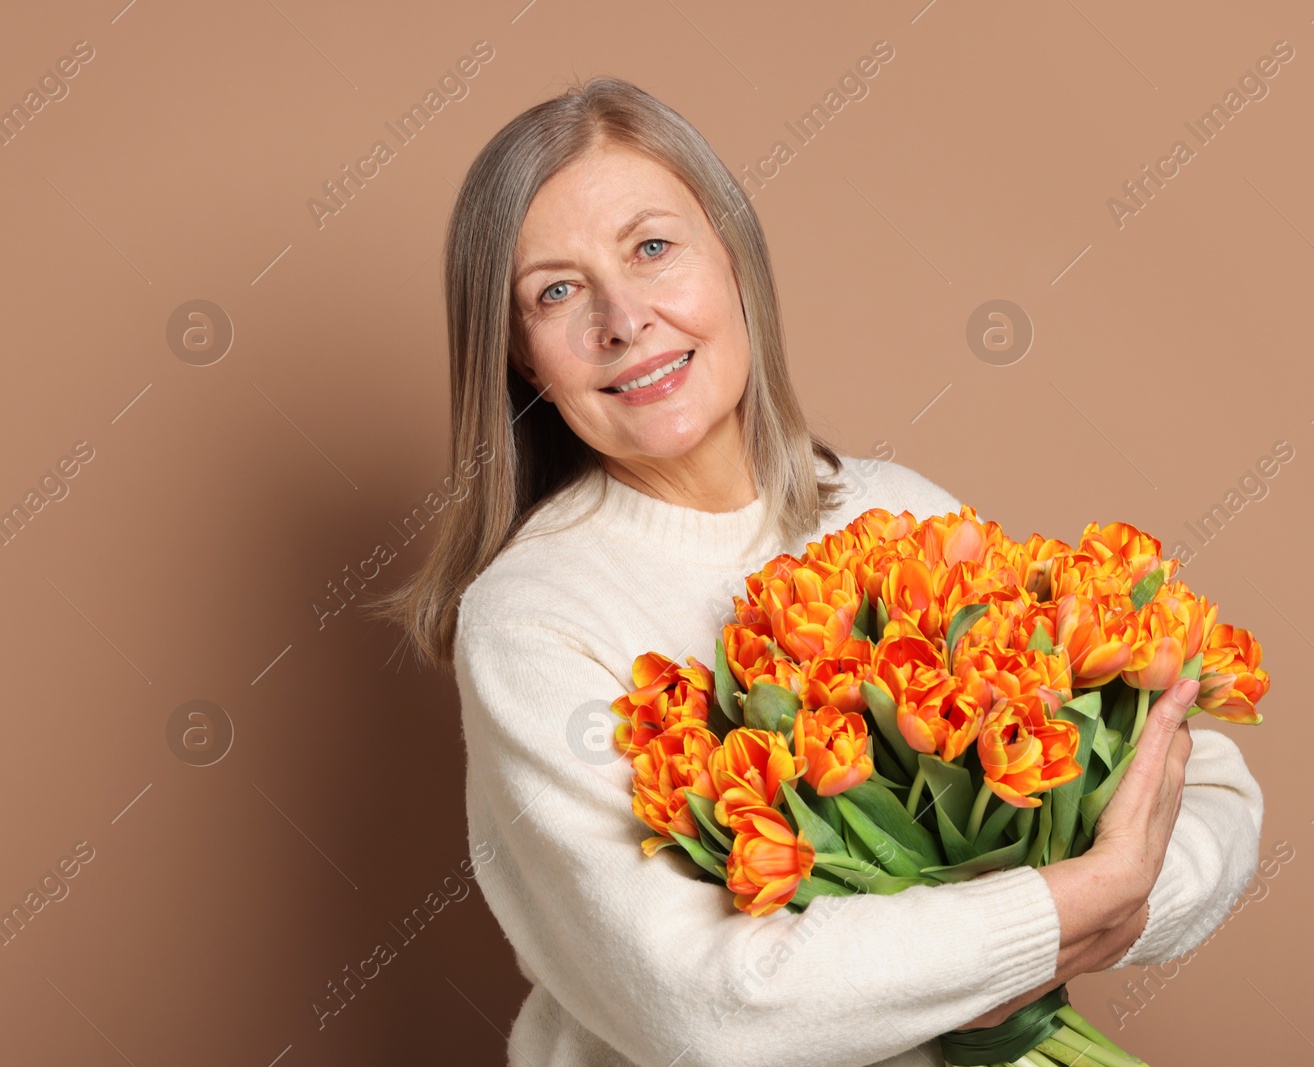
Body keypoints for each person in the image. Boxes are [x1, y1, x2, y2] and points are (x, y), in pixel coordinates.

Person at [373, 75, 1264, 1067]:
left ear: (733, 259)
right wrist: (1051, 912)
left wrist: (1115, 904)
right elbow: (703, 1007)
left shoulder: (903, 514)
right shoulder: (533, 617)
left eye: (652, 248)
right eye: (556, 291)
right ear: (520, 357)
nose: (623, 320)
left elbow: (1211, 785)